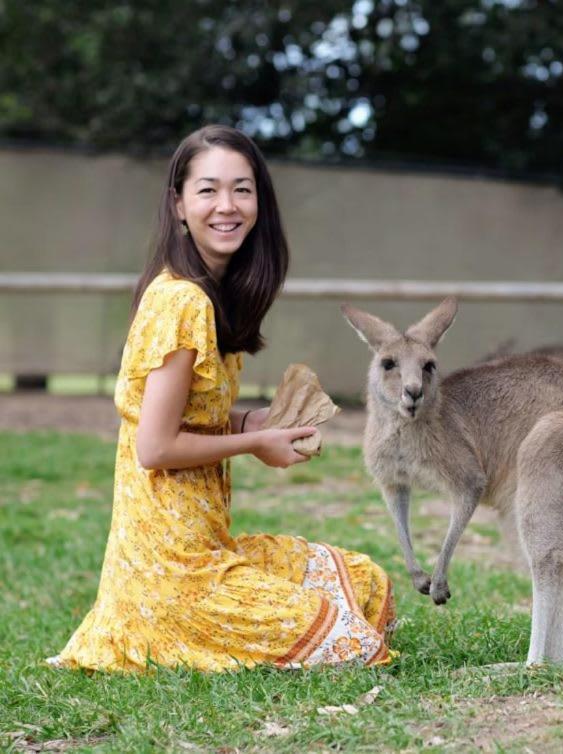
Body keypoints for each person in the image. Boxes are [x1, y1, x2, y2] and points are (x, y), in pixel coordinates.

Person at [48, 125, 395, 672]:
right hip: (168, 573)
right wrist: (257, 443)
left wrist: (248, 421)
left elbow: (188, 416)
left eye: (242, 189)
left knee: (368, 585)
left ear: (260, 201)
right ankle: (150, 625)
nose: (226, 206)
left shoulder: (213, 295)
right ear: (179, 205)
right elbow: (154, 447)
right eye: (208, 190)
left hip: (211, 549)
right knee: (349, 642)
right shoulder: (181, 300)